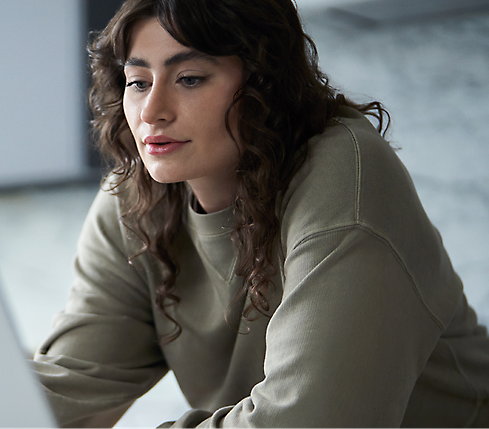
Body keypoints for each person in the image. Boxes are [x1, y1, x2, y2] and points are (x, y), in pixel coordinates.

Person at [31, 0, 489, 427]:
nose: (152, 111)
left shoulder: (342, 175)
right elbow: (72, 382)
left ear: (263, 82)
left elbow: (307, 418)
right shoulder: (135, 201)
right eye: (138, 82)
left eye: (189, 78)